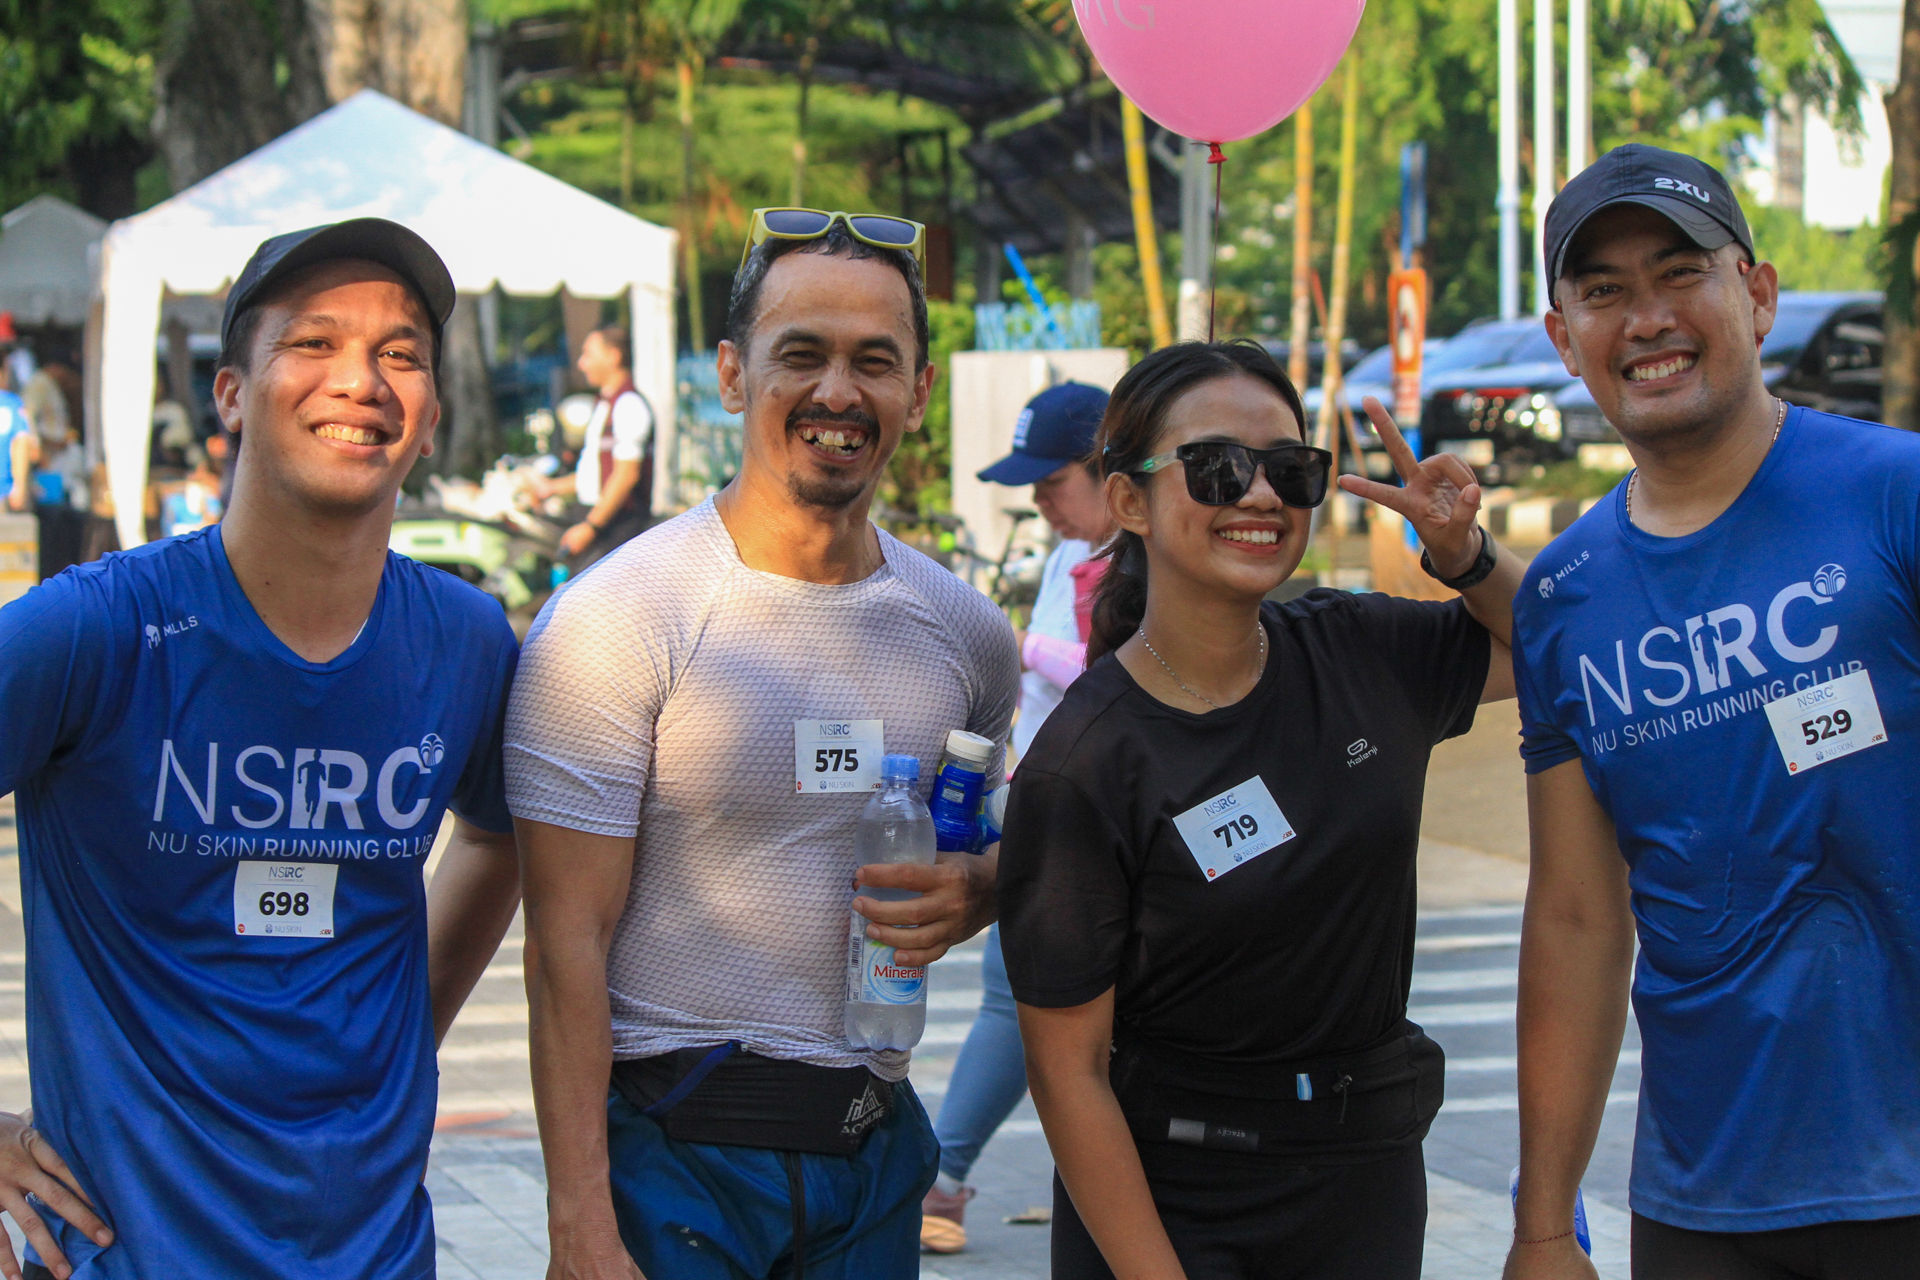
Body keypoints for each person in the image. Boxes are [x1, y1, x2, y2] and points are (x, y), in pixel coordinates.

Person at [0, 218, 524, 1280]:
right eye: (313, 343)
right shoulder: (96, 630)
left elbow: (495, 834)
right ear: (232, 395)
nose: (361, 381)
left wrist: (401, 1030)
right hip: (125, 1252)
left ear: (430, 417)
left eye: (400, 354)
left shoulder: (467, 642)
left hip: (377, 1252)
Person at [506, 208, 1019, 1280]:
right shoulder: (619, 617)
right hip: (674, 1161)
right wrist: (579, 1225)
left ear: (919, 391)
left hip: (873, 1159)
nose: (838, 392)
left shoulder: (966, 634)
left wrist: (982, 886)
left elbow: (982, 848)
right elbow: (564, 946)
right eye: (802, 354)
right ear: (734, 374)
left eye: (874, 361)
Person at [998, 339, 1525, 1280]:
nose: (1259, 496)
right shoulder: (1086, 760)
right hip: (1173, 1206)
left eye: (1290, 468)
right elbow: (1067, 1074)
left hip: (1364, 1184)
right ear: (1129, 502)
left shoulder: (1359, 652)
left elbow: (1554, 645)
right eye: (1215, 466)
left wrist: (1465, 554)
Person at [1504, 145, 1920, 1280]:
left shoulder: (1895, 496)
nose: (1648, 318)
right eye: (1604, 290)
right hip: (1706, 1200)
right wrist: (1543, 1226)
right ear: (1565, 340)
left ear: (1758, 292)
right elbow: (1578, 919)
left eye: (1681, 272)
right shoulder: (1563, 598)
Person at [920, 379, 1112, 1254]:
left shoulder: (1137, 562)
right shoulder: (1072, 554)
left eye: (1053, 480)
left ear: (1111, 470)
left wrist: (1020, 644)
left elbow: (1116, 676)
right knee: (1019, 1005)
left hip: (1087, 821)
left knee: (1017, 1005)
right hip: (1034, 804)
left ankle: (942, 1179)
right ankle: (943, 1178)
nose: (1040, 500)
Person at [529, 325, 654, 567]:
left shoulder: (628, 405)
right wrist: (550, 488)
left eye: (588, 354)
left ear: (613, 356)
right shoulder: (606, 404)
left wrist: (591, 526)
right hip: (600, 520)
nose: (581, 363)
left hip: (616, 527)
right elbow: (596, 475)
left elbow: (625, 475)